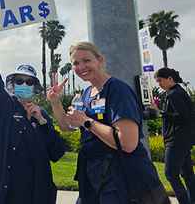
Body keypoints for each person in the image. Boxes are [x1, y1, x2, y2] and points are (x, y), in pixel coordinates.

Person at [49, 41, 168, 204]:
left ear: (100, 60)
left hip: (123, 179)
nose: (81, 66)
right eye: (75, 63)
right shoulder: (86, 94)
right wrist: (55, 102)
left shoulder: (118, 90)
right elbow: (67, 126)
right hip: (94, 176)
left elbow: (128, 143)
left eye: (86, 60)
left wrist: (86, 121)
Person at [0, 25, 65, 204]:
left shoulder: (41, 115)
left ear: (34, 86)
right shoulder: (4, 105)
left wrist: (43, 122)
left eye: (28, 81)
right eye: (19, 80)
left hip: (33, 194)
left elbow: (57, 152)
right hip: (2, 192)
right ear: (13, 83)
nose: (24, 84)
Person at [155, 67, 195, 204]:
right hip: (184, 140)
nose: (158, 84)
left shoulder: (174, 94)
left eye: (160, 80)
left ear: (170, 79)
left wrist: (161, 113)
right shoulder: (178, 92)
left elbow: (183, 117)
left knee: (170, 174)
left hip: (176, 140)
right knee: (188, 174)